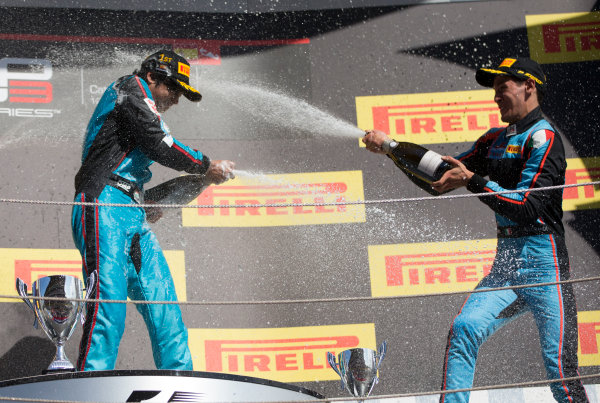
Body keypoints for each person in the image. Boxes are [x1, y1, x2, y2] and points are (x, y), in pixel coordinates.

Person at [363, 57, 588, 402]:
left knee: (559, 369)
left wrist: (474, 181)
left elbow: (527, 207)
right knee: (464, 329)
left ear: (529, 86)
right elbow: (440, 176)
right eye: (494, 90)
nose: (496, 95)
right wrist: (392, 149)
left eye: (504, 87)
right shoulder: (494, 139)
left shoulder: (544, 138)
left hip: (547, 268)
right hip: (507, 264)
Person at [71, 49, 235, 371]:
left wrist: (201, 180)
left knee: (165, 311)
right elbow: (158, 142)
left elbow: (149, 173)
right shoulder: (129, 89)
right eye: (172, 88)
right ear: (151, 76)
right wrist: (205, 166)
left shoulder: (145, 107)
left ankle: (182, 385)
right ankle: (88, 383)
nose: (175, 98)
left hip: (134, 211)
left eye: (180, 93)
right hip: (102, 204)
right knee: (109, 309)